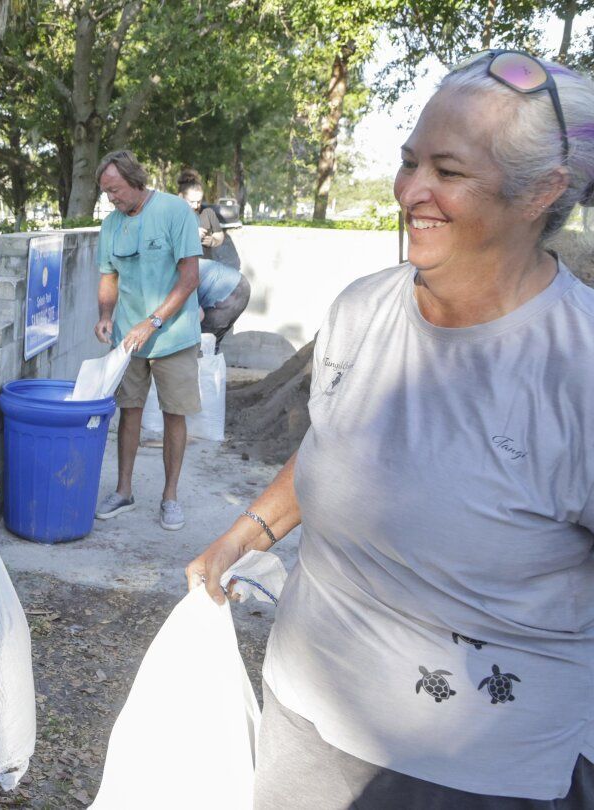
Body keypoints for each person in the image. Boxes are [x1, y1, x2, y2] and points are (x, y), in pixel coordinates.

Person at [187, 52, 594, 808]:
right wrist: (249, 530)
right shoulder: (362, 310)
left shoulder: (577, 369)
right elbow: (336, 444)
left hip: (476, 775)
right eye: (409, 163)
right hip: (304, 719)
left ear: (542, 191)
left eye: (448, 170)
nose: (411, 192)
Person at [92, 150, 203, 531]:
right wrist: (106, 316)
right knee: (129, 411)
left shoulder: (175, 212)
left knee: (175, 414)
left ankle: (170, 498)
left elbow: (190, 279)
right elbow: (109, 277)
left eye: (116, 190)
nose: (112, 199)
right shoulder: (110, 226)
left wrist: (152, 322)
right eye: (106, 193)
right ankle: (124, 490)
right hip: (128, 339)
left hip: (172, 335)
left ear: (136, 180)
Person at [178, 169, 251, 351]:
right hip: (195, 278)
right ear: (180, 197)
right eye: (191, 201)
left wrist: (211, 240)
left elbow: (219, 237)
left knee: (203, 342)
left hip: (207, 283)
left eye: (198, 201)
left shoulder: (207, 214)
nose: (196, 205)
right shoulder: (175, 217)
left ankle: (206, 374)